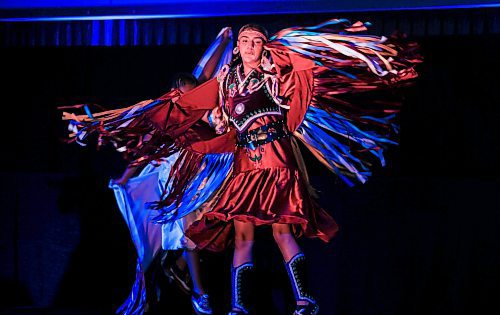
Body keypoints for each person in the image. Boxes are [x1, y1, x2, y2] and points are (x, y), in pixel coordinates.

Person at [62, 19, 420, 315]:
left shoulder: (274, 77)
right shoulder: (226, 83)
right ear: (236, 49)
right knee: (243, 236)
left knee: (283, 232)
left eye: (257, 41)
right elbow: (186, 107)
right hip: (246, 165)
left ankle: (305, 299)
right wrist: (125, 120)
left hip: (277, 162)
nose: (250, 45)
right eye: (245, 40)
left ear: (264, 47)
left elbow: (302, 76)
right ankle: (239, 305)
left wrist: (278, 56)